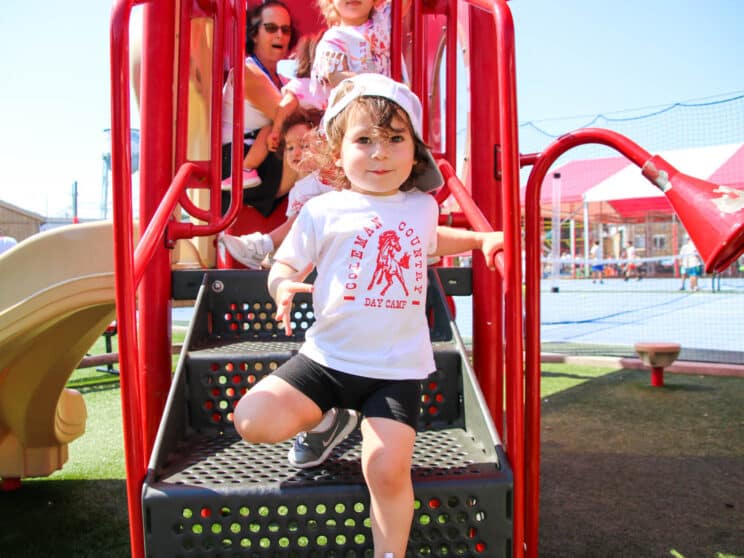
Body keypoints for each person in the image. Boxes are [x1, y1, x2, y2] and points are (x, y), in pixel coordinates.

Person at [232, 74, 504, 558]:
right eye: (365, 140)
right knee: (252, 420)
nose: (380, 153)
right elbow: (287, 262)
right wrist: (281, 284)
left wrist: (482, 240)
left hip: (393, 372)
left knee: (385, 467)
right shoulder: (323, 210)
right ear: (337, 153)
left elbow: (437, 239)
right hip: (327, 360)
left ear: (415, 154)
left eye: (395, 139)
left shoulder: (421, 207)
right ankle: (328, 419)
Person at [220, 107, 328, 268]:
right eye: (290, 148)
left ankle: (262, 246)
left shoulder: (325, 179)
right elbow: (293, 231)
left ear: (323, 147)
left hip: (328, 244)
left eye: (304, 146)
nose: (295, 153)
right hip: (310, 251)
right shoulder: (297, 190)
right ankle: (267, 254)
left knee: (306, 215)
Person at [220, 0, 300, 217]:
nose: (279, 36)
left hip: (263, 156)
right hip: (236, 165)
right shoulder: (248, 72)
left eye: (285, 30)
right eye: (271, 28)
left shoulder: (282, 80)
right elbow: (294, 118)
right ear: (254, 34)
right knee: (312, 145)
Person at [310, 0, 405, 104]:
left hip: (391, 104)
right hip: (356, 110)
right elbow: (337, 78)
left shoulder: (382, 19)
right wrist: (339, 77)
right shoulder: (333, 39)